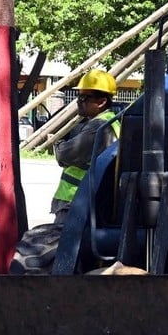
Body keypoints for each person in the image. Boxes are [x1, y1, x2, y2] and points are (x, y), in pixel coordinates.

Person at [52, 70, 121, 224]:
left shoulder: (98, 127)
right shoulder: (111, 122)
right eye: (79, 96)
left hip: (75, 202)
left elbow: (64, 155)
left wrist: (59, 144)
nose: (78, 101)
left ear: (102, 102)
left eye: (84, 97)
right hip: (85, 201)